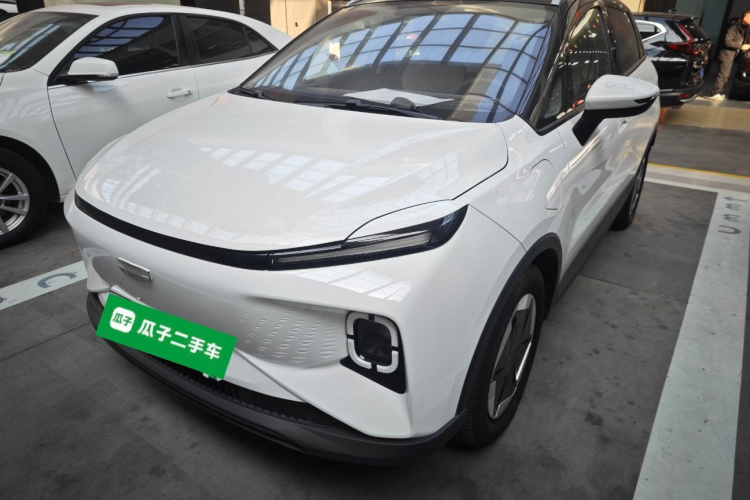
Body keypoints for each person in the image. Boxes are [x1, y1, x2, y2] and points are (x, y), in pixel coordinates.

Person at [707, 10, 750, 101]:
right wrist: (741, 46)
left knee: (726, 75)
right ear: (745, 17)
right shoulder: (734, 27)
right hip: (726, 54)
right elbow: (728, 42)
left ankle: (720, 92)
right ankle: (715, 93)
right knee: (723, 75)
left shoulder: (745, 28)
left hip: (733, 54)